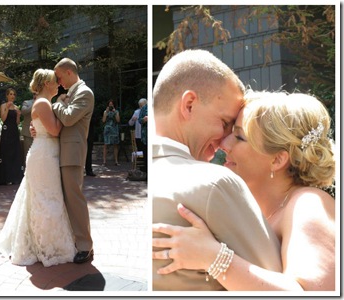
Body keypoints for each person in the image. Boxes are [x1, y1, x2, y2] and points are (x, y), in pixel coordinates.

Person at [152, 91, 335, 291]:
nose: (224, 144)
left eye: (238, 137)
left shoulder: (308, 205)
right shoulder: (258, 205)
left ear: (277, 160)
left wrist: (211, 257)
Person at [151, 49, 282, 290]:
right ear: (189, 105)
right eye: (225, 124)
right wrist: (216, 258)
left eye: (235, 133)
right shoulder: (214, 183)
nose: (224, 142)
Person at [0, 69, 76, 267]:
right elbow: (56, 130)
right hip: (44, 156)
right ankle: (45, 245)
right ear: (45, 84)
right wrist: (62, 105)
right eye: (54, 81)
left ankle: (43, 242)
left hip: (45, 152)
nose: (58, 84)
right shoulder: (42, 103)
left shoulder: (44, 103)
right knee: (45, 198)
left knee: (43, 197)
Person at [53, 58, 95, 263]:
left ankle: (85, 245)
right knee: (67, 199)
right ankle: (75, 241)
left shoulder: (85, 93)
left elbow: (68, 118)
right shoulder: (73, 93)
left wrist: (57, 104)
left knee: (74, 199)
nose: (59, 83)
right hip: (62, 152)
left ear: (69, 73)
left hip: (72, 153)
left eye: (60, 77)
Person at [0, 88, 24, 185]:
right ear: (7, 95)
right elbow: (3, 119)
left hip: (14, 131)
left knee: (15, 153)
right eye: (11, 94)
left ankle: (15, 177)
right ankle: (6, 178)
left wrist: (18, 116)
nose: (12, 96)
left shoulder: (16, 107)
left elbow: (17, 123)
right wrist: (7, 108)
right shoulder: (3, 106)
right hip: (6, 131)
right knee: (6, 154)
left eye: (14, 94)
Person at [129, 98, 147, 172]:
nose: (141, 107)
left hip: (145, 136)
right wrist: (133, 119)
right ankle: (142, 168)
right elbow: (130, 123)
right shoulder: (136, 112)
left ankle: (145, 167)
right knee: (141, 151)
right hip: (138, 135)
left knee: (145, 151)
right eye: (140, 106)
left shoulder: (147, 111)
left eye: (142, 105)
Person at [102, 100, 120, 166]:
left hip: (114, 129)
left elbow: (118, 120)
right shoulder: (105, 112)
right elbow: (103, 120)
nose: (110, 106)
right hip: (107, 130)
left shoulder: (116, 111)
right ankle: (104, 161)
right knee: (105, 145)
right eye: (109, 105)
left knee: (115, 145)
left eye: (111, 105)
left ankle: (116, 161)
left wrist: (115, 112)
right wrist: (106, 112)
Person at [20, 93, 35, 162]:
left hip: (40, 133)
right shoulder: (27, 102)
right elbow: (23, 111)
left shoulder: (45, 102)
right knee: (27, 154)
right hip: (28, 134)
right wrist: (35, 104)